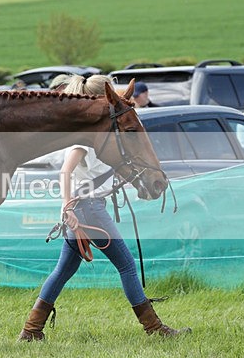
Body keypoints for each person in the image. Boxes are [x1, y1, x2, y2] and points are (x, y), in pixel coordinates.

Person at [18, 74, 190, 341]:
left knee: (63, 270)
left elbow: (109, 168)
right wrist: (67, 208)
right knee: (127, 266)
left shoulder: (103, 133)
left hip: (87, 208)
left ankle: (31, 330)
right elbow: (65, 171)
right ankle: (154, 328)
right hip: (88, 209)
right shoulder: (84, 140)